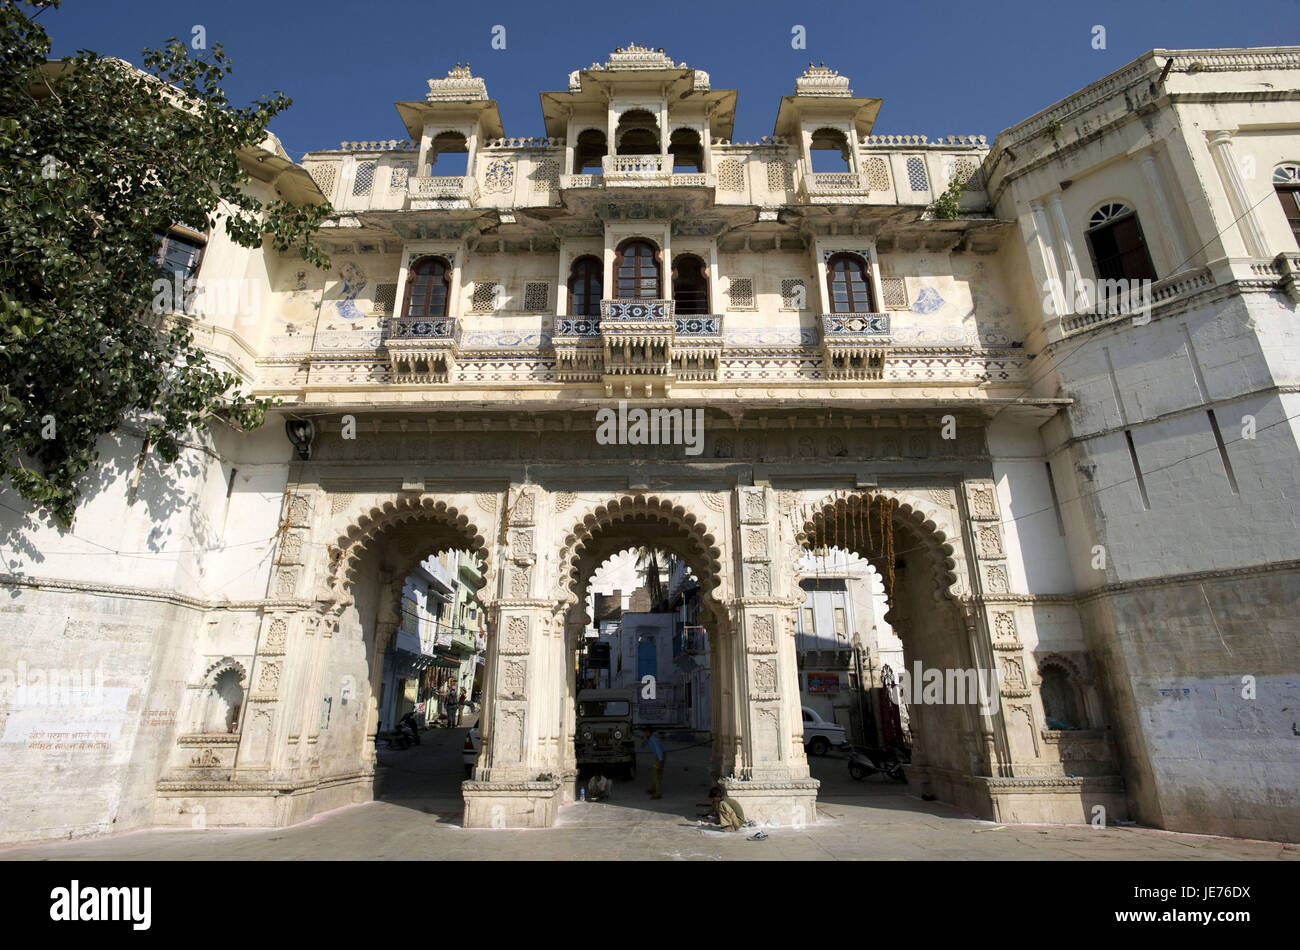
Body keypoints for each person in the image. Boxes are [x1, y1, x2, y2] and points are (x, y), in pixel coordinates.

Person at [642, 725, 665, 799]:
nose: (644, 734)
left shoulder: (653, 739)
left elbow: (658, 750)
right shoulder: (649, 738)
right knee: (656, 774)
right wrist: (644, 739)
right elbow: (642, 746)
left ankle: (658, 794)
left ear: (648, 732)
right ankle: (653, 788)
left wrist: (660, 762)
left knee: (657, 775)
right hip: (658, 755)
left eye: (645, 732)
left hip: (660, 755)